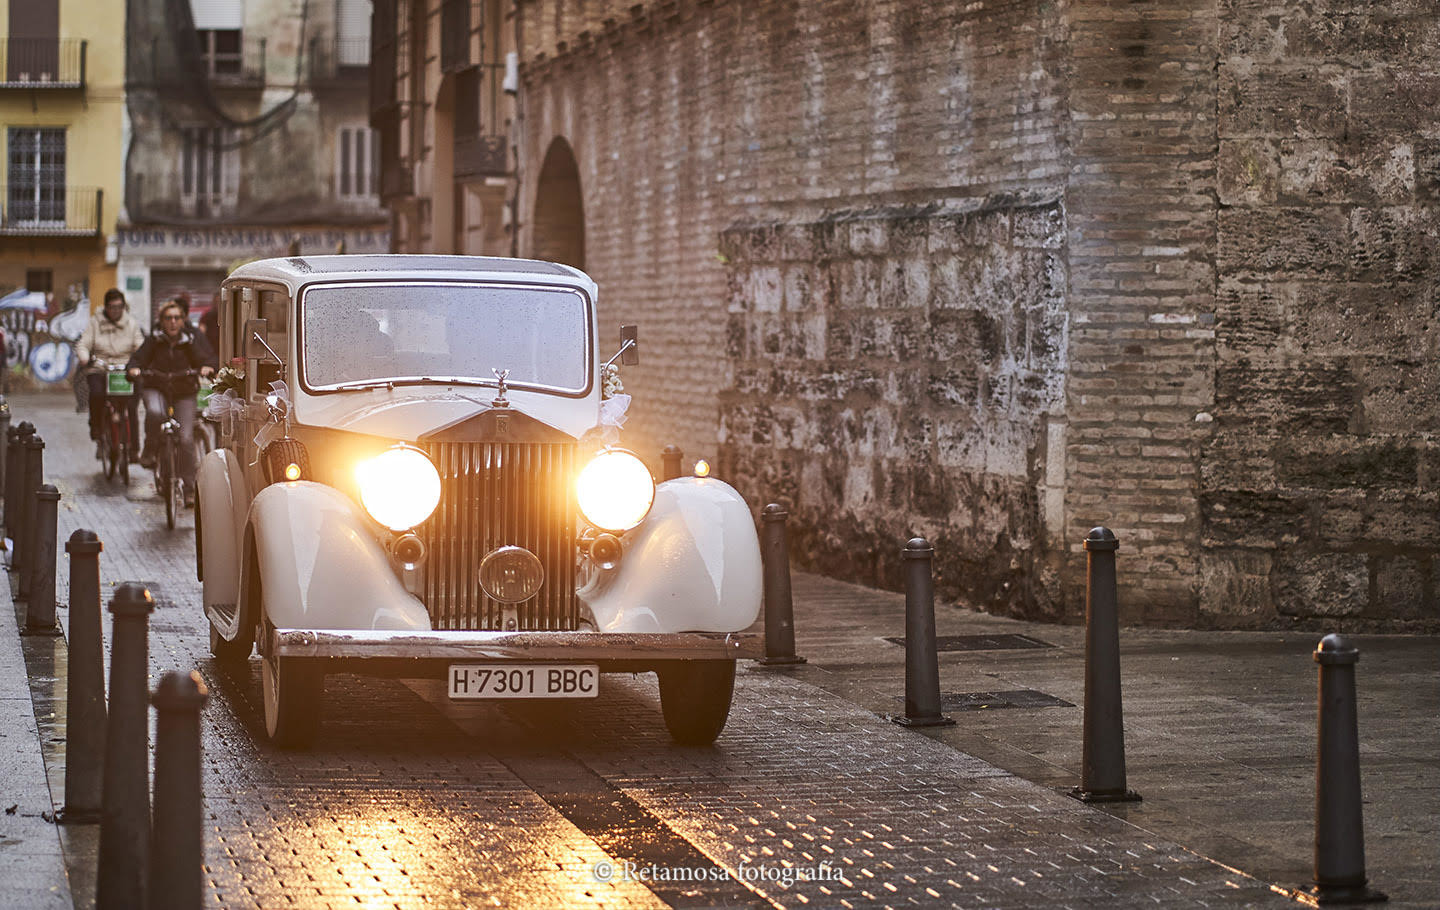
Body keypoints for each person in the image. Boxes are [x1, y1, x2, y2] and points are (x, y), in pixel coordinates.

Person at [127, 299, 217, 506]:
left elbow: (208, 359)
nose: (173, 322)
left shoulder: (190, 341)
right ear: (161, 321)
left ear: (183, 321)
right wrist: (134, 369)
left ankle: (188, 488)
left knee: (185, 439)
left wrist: (206, 367)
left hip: (184, 392)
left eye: (177, 318)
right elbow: (137, 359)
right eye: (168, 318)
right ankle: (150, 449)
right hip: (156, 388)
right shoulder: (154, 340)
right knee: (156, 413)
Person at [74, 288, 146, 455]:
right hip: (100, 367)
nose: (116, 311)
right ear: (106, 307)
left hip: (125, 369)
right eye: (112, 307)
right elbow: (83, 344)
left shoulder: (131, 323)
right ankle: (97, 429)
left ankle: (134, 448)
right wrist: (85, 358)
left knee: (132, 404)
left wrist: (139, 363)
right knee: (97, 394)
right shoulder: (95, 322)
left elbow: (140, 346)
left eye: (120, 307)